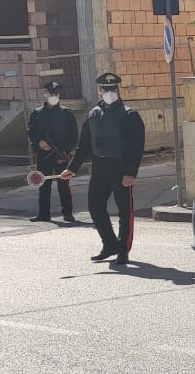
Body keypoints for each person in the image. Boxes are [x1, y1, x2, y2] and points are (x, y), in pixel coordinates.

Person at [60, 73, 145, 265]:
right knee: (95, 206)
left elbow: (136, 146)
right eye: (105, 89)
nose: (109, 92)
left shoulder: (129, 115)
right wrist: (72, 168)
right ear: (99, 91)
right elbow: (84, 145)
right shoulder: (93, 114)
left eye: (112, 89)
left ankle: (123, 250)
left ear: (119, 90)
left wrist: (131, 172)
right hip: (99, 167)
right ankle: (109, 244)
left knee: (125, 211)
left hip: (120, 167)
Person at [26, 81, 79, 223]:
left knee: (63, 185)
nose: (53, 96)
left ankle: (67, 213)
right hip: (44, 155)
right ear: (45, 95)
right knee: (44, 184)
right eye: (51, 94)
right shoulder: (37, 113)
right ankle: (43, 214)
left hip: (61, 154)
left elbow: (74, 135)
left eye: (56, 94)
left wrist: (64, 152)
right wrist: (39, 142)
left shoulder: (66, 113)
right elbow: (30, 130)